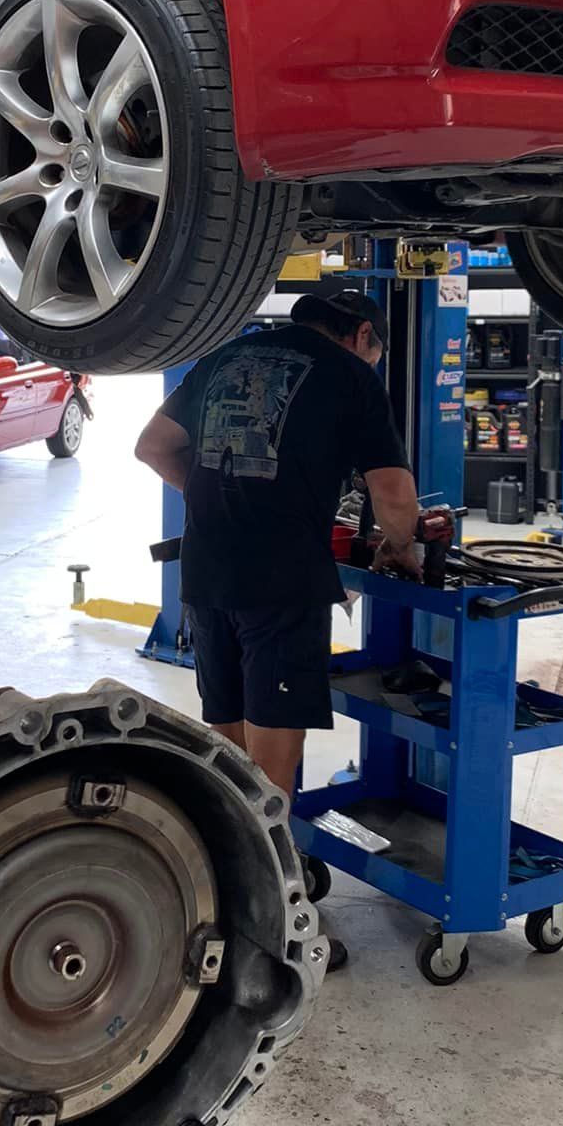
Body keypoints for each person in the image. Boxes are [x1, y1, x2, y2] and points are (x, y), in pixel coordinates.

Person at [134, 285, 422, 812]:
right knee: (271, 766)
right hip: (282, 583)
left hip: (204, 572)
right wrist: (400, 547)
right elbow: (394, 495)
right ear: (363, 335)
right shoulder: (351, 374)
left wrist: (224, 497)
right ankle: (271, 882)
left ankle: (228, 870)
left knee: (225, 747)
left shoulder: (224, 357)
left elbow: (152, 447)